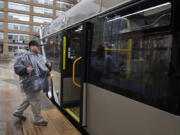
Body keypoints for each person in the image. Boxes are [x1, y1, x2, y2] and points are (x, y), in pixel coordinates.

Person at [13, 40, 51, 126]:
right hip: (29, 83)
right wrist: (25, 70)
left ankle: (18, 112)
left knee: (29, 98)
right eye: (37, 46)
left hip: (38, 83)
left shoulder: (39, 56)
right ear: (31, 46)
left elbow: (44, 68)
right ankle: (38, 120)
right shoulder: (23, 55)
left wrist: (48, 66)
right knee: (36, 101)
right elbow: (16, 67)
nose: (39, 48)